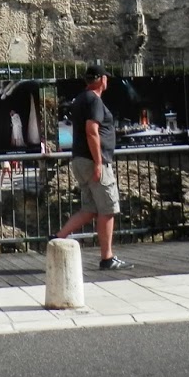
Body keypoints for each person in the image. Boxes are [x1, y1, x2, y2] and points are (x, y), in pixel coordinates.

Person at [54, 63, 131, 270]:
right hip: (94, 161)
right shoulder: (94, 100)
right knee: (108, 209)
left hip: (79, 159)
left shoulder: (80, 99)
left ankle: (57, 238)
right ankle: (107, 257)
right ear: (100, 79)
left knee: (90, 208)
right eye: (105, 77)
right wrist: (99, 162)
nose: (107, 81)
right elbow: (92, 130)